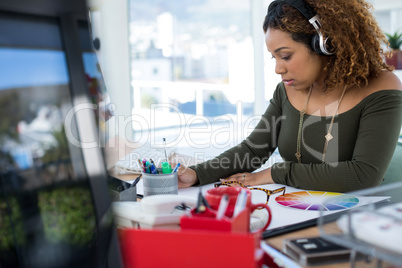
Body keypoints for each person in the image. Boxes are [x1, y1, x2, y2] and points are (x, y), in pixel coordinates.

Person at [178, 0, 402, 192]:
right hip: (294, 209)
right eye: (273, 57)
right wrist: (197, 174)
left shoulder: (381, 88)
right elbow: (254, 149)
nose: (278, 68)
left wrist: (277, 173)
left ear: (324, 43)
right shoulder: (287, 89)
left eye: (285, 56)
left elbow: (363, 176)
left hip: (353, 220)